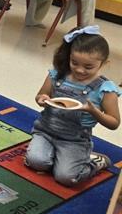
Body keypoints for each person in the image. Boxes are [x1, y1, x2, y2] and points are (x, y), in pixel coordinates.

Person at [26, 26, 120, 185]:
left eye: (88, 67)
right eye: (74, 63)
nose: (79, 70)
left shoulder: (105, 89)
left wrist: (94, 111)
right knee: (37, 162)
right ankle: (60, 157)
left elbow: (114, 123)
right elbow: (40, 96)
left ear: (104, 64)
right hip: (45, 130)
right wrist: (42, 98)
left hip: (75, 139)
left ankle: (94, 162)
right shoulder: (57, 74)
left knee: (66, 178)